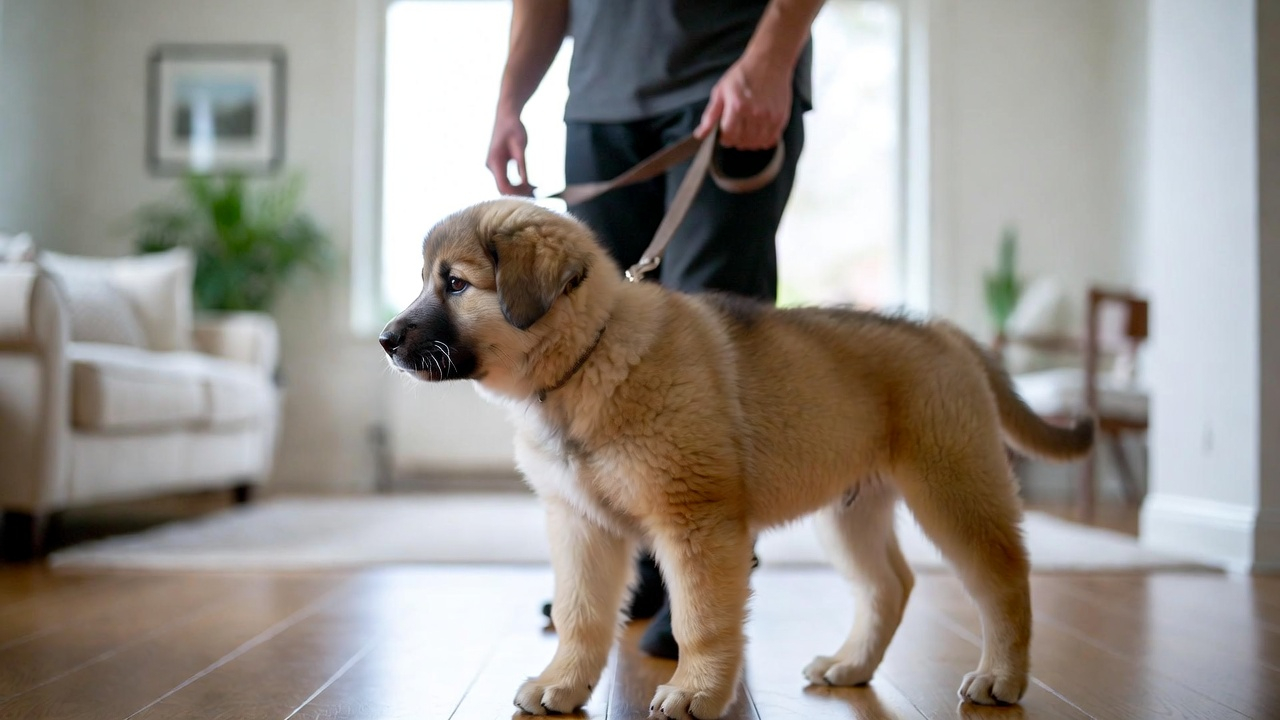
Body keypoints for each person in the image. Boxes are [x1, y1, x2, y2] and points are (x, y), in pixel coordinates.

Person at [486, 0, 824, 660]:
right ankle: (636, 564)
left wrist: (769, 58)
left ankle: (704, 573)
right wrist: (510, 101)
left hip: (728, 79)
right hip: (600, 101)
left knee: (714, 336)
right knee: (597, 340)